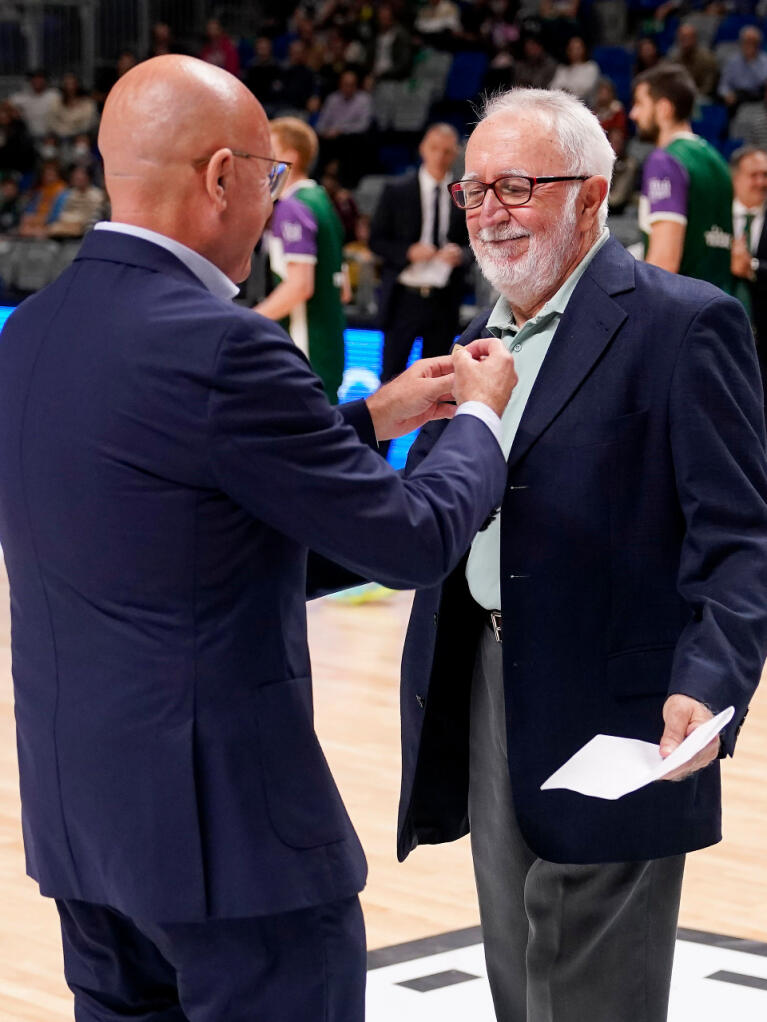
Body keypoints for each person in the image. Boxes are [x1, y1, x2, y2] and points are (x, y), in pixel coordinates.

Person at [0, 54, 518, 1022]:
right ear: (222, 178)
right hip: (230, 849)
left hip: (85, 830)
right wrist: (475, 422)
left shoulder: (32, 332)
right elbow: (408, 540)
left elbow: (190, 527)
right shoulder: (224, 343)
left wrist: (377, 417)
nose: (273, 204)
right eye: (270, 181)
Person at [395, 86, 767, 1022]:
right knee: (517, 971)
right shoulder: (476, 343)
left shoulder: (683, 323)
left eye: (515, 186)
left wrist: (711, 678)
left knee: (591, 987)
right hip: (485, 677)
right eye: (475, 191)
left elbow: (739, 536)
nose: (489, 212)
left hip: (622, 710)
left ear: (593, 196)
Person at [255, 117, 347, 403]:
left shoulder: (293, 206)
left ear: (290, 157)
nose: (263, 156)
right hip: (329, 343)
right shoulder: (320, 199)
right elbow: (344, 290)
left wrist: (248, 320)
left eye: (269, 148)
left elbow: (300, 286)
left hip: (305, 348)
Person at [370, 123, 469, 386]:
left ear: (455, 153)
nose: (439, 156)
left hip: (444, 298)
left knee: (438, 381)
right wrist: (408, 251)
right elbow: (375, 241)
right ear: (423, 148)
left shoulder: (463, 194)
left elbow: (476, 245)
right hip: (405, 295)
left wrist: (461, 254)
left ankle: (431, 430)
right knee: (391, 377)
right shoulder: (397, 190)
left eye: (447, 151)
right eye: (434, 148)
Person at [631, 64, 733, 291]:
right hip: (721, 306)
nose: (633, 114)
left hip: (684, 316)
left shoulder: (664, 161)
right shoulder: (717, 160)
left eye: (640, 104)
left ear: (664, 109)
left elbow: (664, 265)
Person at [730, 144, 767, 404]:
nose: (761, 182)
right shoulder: (716, 215)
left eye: (766, 175)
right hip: (724, 332)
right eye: (754, 175)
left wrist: (752, 267)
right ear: (736, 177)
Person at [718, 25, 767, 112]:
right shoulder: (732, 61)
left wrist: (751, 62)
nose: (749, 45)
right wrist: (726, 94)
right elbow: (723, 85)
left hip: (756, 98)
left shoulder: (764, 61)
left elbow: (763, 82)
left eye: (753, 42)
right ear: (741, 43)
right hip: (736, 99)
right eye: (746, 42)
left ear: (758, 44)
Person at [667, 21, 718, 99]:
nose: (685, 41)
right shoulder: (673, 58)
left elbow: (708, 87)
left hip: (701, 97)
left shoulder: (707, 59)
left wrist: (690, 96)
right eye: (682, 38)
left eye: (689, 38)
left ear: (695, 39)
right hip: (679, 96)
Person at [550, 35, 600, 106]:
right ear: (567, 51)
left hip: (585, 107)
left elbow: (584, 90)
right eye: (572, 48)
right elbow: (553, 88)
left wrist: (566, 90)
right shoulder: (562, 69)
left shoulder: (591, 67)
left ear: (584, 49)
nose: (575, 51)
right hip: (562, 106)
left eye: (578, 48)